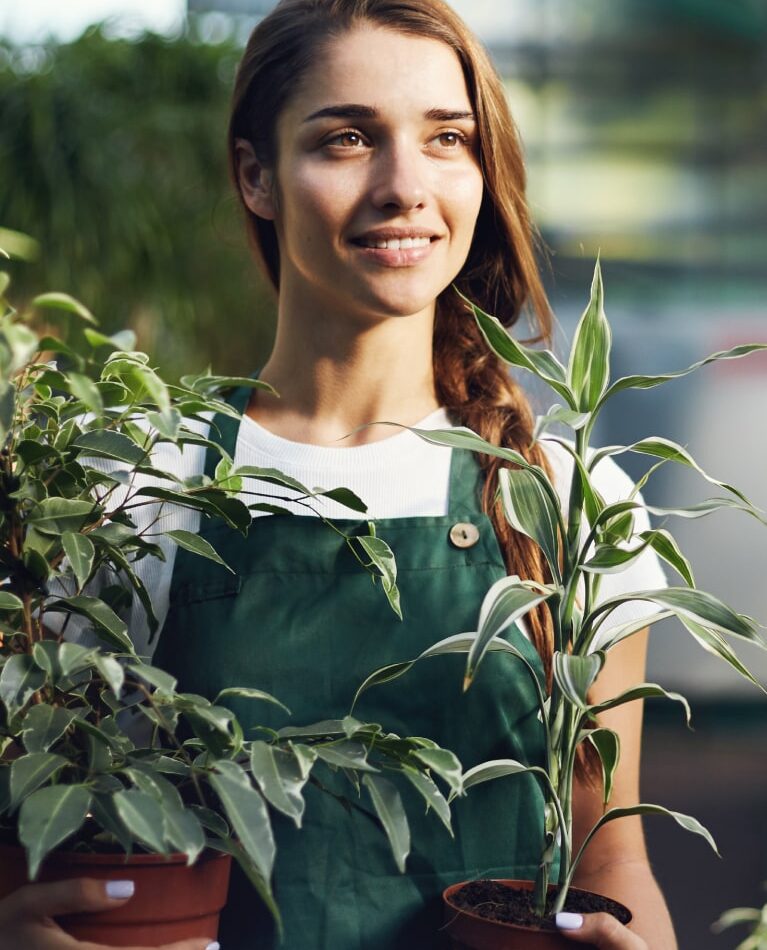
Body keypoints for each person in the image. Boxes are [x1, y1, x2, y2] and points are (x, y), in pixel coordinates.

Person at [0, 0, 677, 947]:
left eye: (447, 137)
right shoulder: (142, 484)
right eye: (349, 138)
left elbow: (609, 859)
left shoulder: (568, 503)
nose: (406, 185)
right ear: (256, 177)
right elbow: (57, 826)